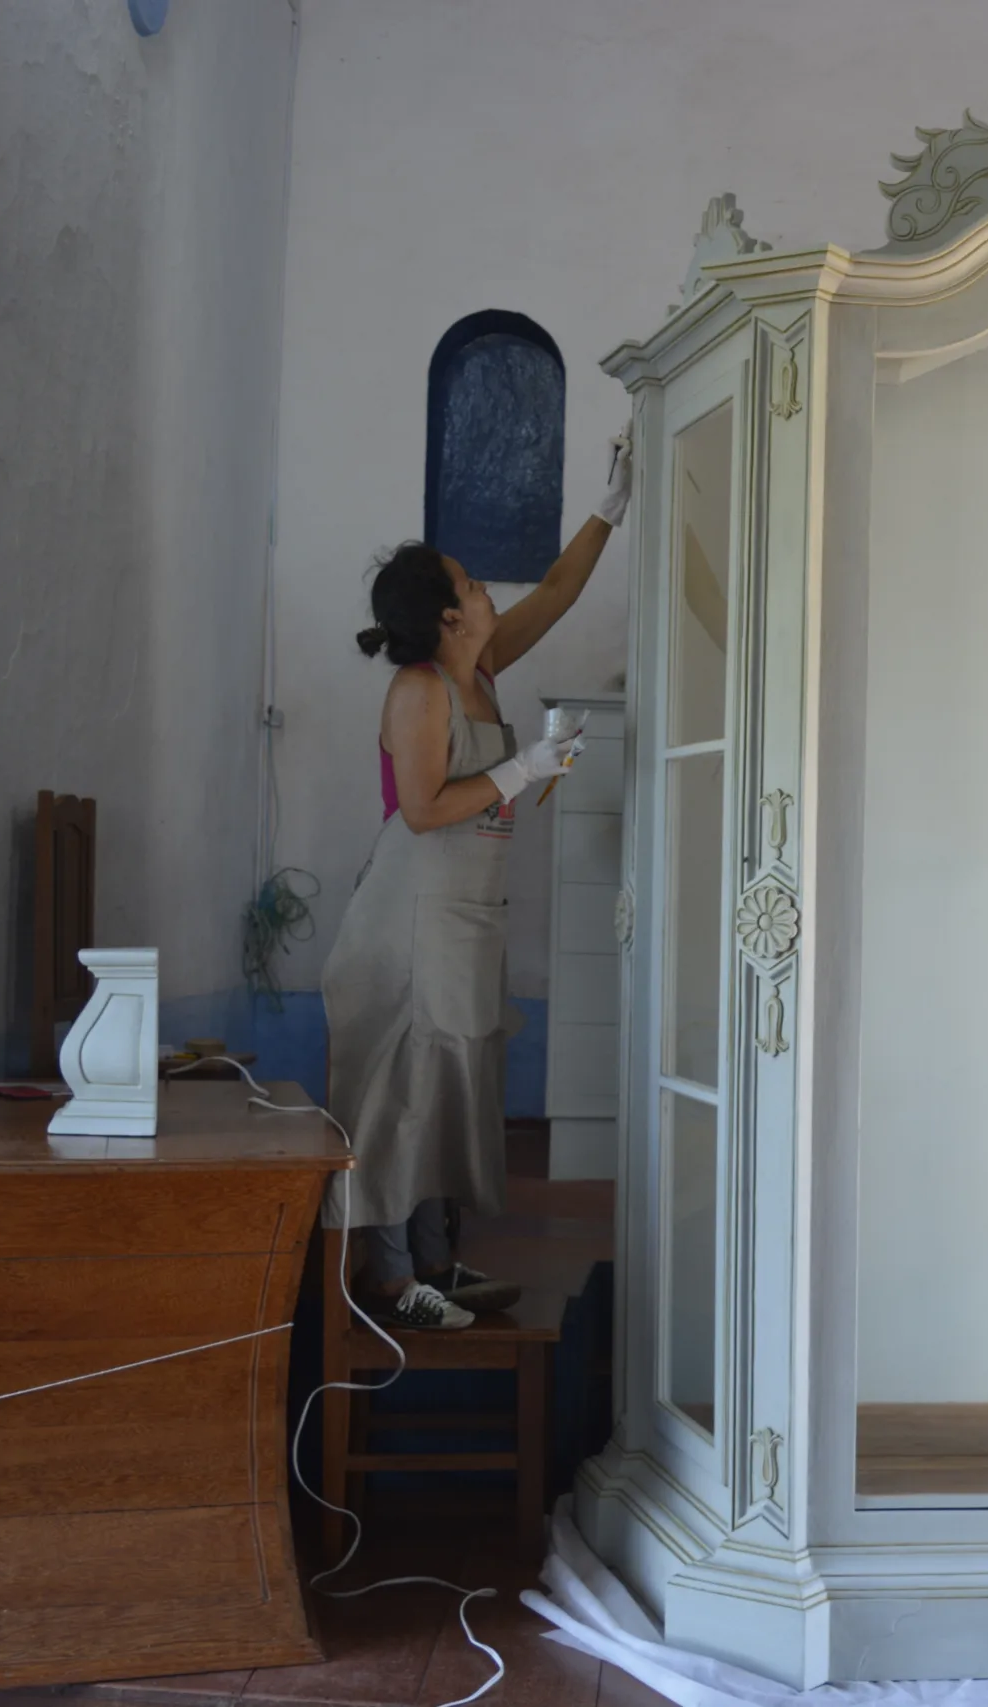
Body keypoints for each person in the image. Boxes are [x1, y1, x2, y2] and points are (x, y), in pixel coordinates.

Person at [319, 435, 633, 1330]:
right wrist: (522, 771)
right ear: (448, 618)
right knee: (400, 1088)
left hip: (463, 914)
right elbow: (420, 809)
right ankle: (384, 1276)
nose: (486, 587)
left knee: (446, 1086)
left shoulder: (483, 672)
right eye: (469, 582)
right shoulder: (422, 692)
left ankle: (435, 1262)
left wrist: (612, 502)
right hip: (408, 915)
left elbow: (559, 591)